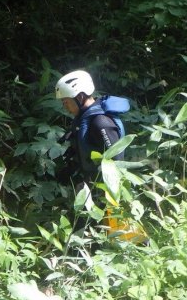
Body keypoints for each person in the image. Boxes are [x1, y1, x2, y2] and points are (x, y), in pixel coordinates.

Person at [54, 70, 146, 243]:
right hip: (91, 186)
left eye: (66, 102)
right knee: (89, 235)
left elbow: (115, 158)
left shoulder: (100, 122)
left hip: (106, 191)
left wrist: (105, 192)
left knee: (125, 237)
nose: (64, 106)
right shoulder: (84, 119)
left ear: (80, 97)